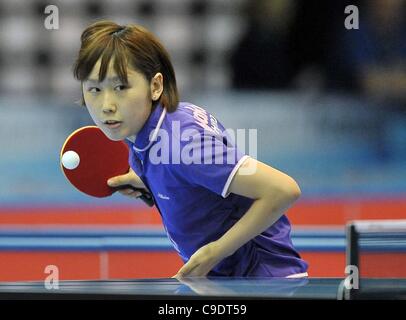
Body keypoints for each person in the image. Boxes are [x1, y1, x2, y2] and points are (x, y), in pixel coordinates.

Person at [73, 20, 308, 278]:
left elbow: (283, 190)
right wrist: (150, 183)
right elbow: (201, 185)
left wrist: (216, 251)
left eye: (121, 87)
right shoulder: (153, 131)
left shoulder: (182, 144)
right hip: (229, 283)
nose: (107, 105)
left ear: (155, 86)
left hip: (266, 281)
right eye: (94, 89)